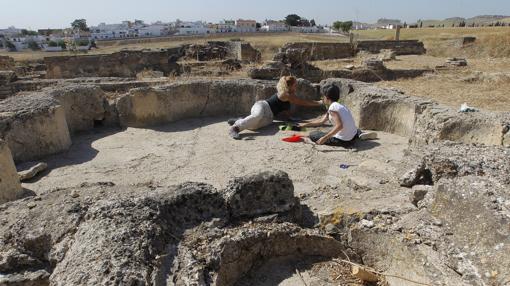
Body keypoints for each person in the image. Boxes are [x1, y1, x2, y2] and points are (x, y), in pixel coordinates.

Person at [228, 76, 322, 139]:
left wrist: (293, 120)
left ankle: (240, 120)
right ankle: (235, 128)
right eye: (295, 85)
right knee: (257, 116)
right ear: (289, 86)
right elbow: (302, 102)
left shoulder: (289, 97)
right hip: (263, 106)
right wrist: (320, 103)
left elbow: (286, 112)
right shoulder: (286, 94)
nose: (296, 87)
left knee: (254, 127)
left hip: (269, 118)